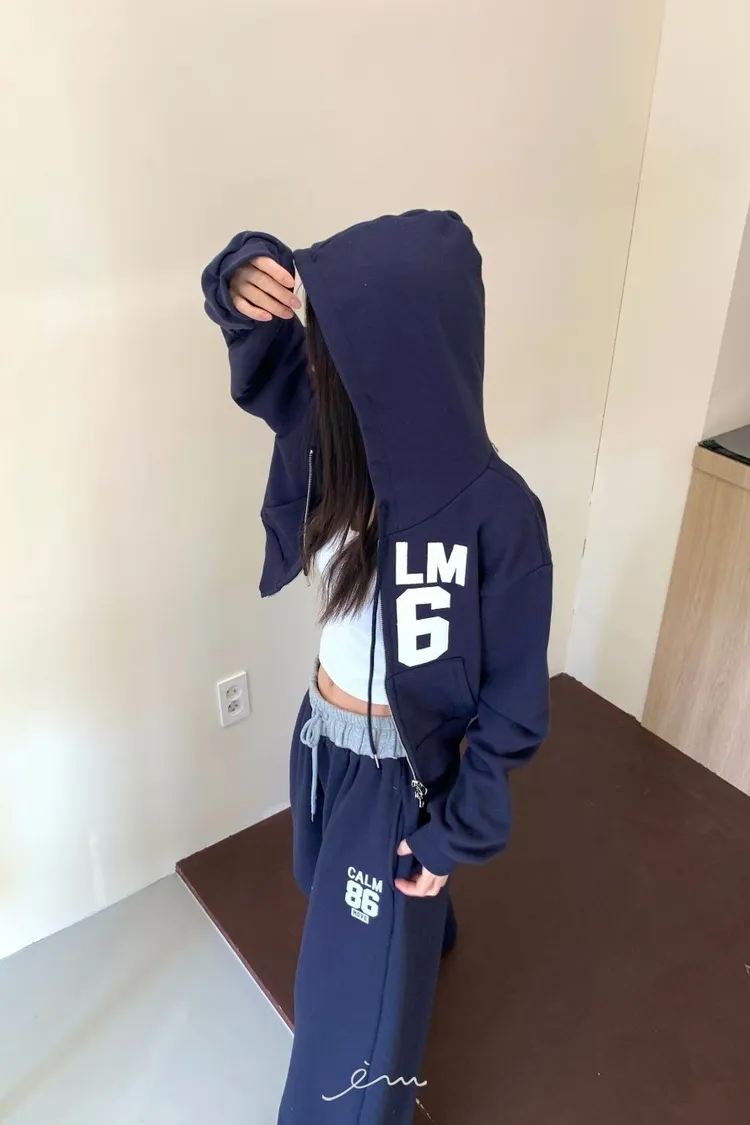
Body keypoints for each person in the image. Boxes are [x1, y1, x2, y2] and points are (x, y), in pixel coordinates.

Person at [201, 209, 553, 1125]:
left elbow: (514, 708)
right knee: (335, 895)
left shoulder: (498, 514)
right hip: (322, 740)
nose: (321, 368)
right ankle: (419, 931)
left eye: (341, 350)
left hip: (399, 778)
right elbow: (263, 354)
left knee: (345, 1007)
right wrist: (241, 275)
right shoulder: (328, 441)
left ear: (403, 358)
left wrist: (450, 838)